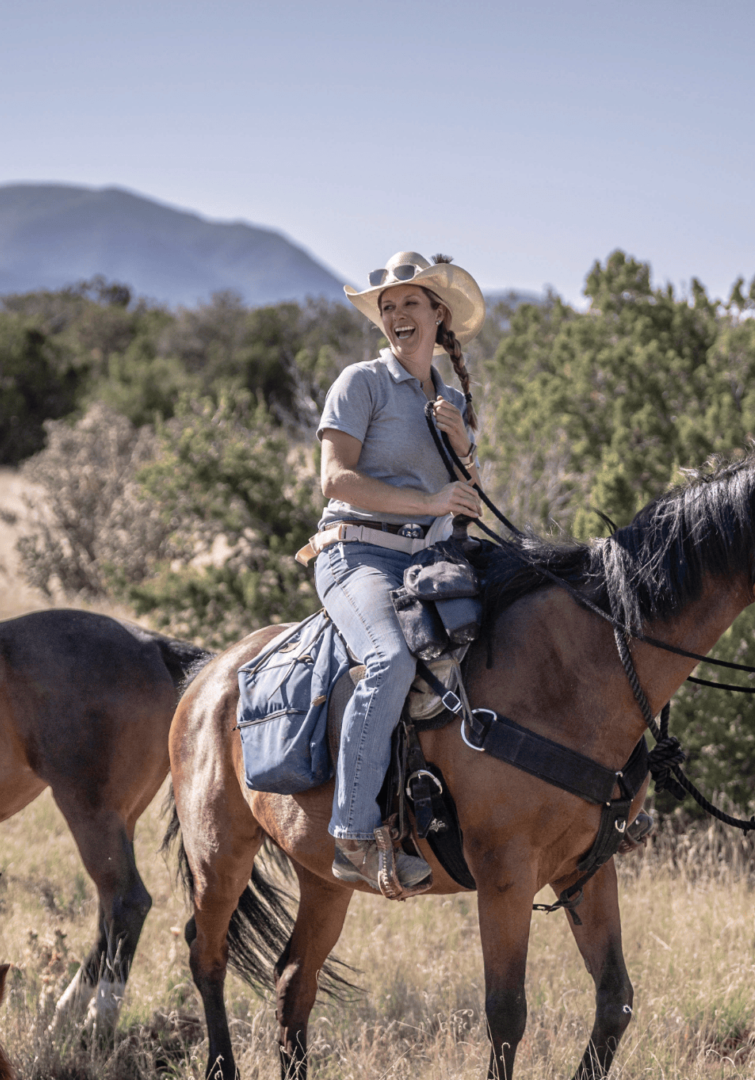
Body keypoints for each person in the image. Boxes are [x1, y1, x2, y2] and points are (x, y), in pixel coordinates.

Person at [309, 251, 485, 895]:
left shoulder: (452, 397)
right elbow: (335, 479)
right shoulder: (361, 383)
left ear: (439, 314)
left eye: (411, 302)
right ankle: (354, 834)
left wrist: (462, 447)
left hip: (431, 561)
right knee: (390, 660)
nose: (397, 314)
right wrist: (430, 502)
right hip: (358, 554)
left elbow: (462, 491)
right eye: (388, 306)